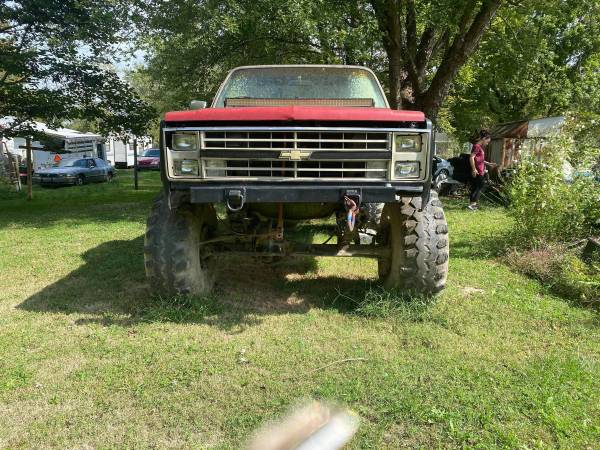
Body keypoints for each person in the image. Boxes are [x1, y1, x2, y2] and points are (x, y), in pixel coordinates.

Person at [468, 130, 492, 210]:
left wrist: (488, 163)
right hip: (478, 171)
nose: (487, 143)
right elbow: (471, 157)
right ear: (484, 138)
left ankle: (472, 205)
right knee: (480, 186)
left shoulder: (479, 147)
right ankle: (472, 205)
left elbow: (480, 159)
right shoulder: (477, 146)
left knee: (476, 187)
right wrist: (474, 169)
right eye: (487, 142)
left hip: (480, 170)